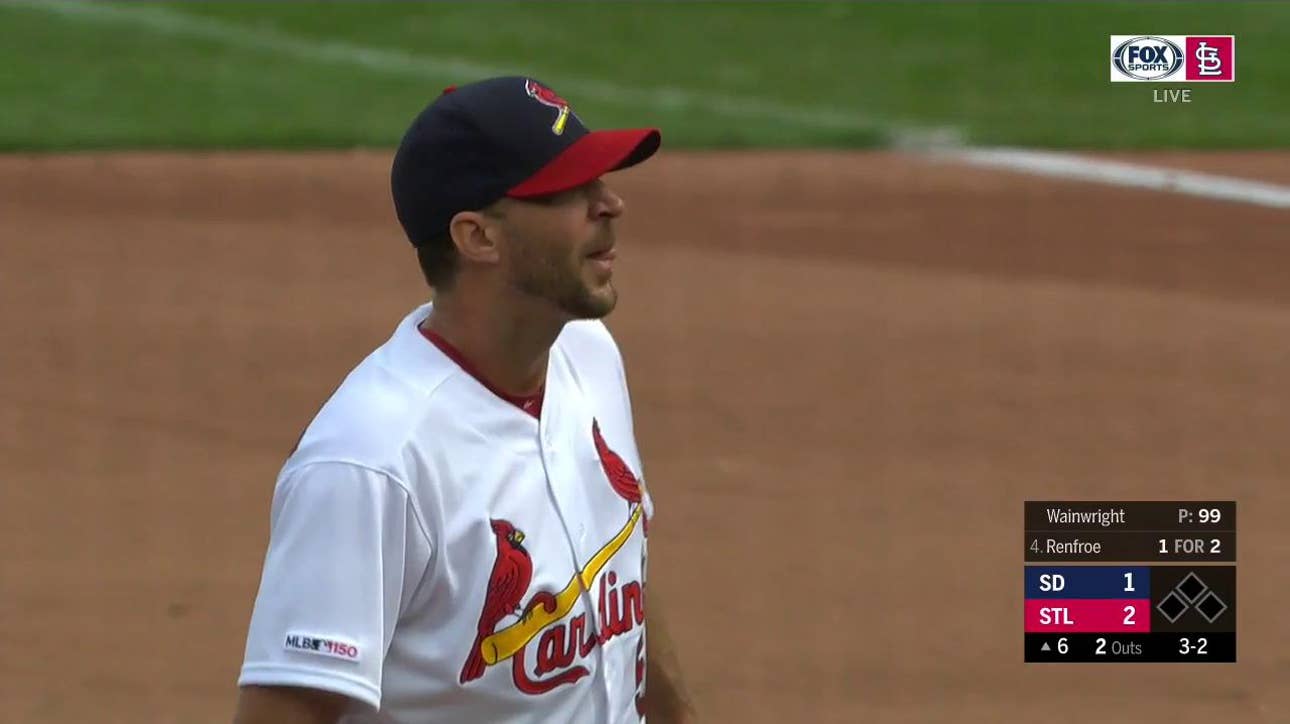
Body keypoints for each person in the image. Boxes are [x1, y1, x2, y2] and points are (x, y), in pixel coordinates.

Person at [231, 76, 697, 724]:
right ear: (478, 237)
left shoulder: (588, 354)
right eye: (568, 190)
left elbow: (620, 568)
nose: (610, 203)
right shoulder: (370, 461)